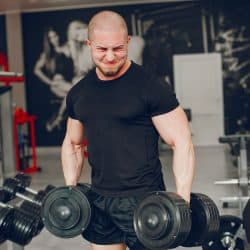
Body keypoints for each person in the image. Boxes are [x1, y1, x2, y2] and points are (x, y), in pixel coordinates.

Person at [62, 10, 195, 250]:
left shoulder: (151, 86)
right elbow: (73, 143)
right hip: (99, 200)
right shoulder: (79, 93)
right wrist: (71, 190)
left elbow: (181, 141)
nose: (111, 57)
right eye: (102, 49)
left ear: (128, 42)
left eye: (118, 48)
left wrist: (182, 201)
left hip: (144, 200)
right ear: (89, 44)